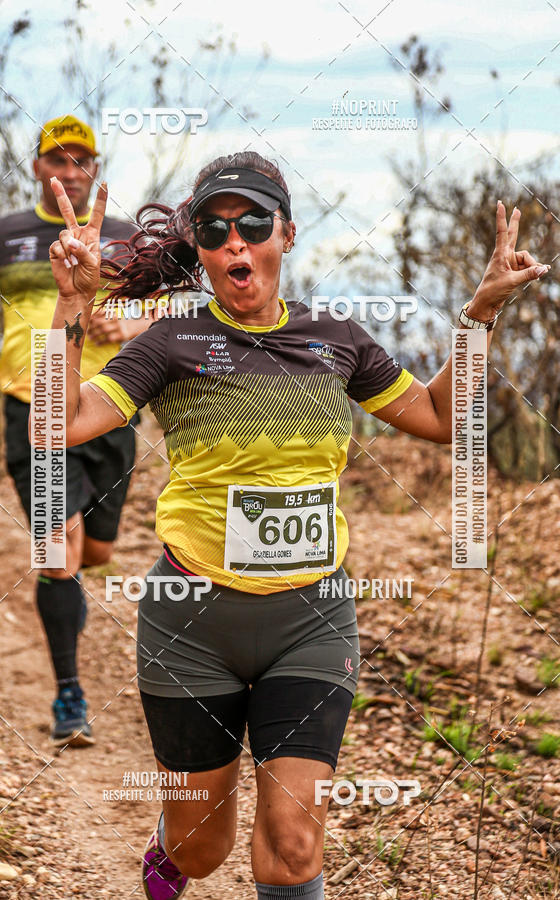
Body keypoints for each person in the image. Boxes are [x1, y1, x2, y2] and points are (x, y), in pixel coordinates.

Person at [40, 151, 548, 900]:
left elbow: (443, 419)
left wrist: (479, 314)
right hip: (192, 623)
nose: (234, 242)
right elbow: (58, 424)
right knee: (202, 848)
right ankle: (169, 847)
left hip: (312, 621)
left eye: (252, 223)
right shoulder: (172, 344)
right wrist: (70, 305)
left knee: (294, 843)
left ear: (287, 232)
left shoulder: (335, 339)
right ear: (202, 251)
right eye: (213, 231)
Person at [0, 114, 156, 748]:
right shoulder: (2, 235)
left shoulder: (125, 238)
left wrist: (125, 326)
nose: (69, 172)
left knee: (95, 553)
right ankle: (70, 694)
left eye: (81, 161)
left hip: (110, 410)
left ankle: (70, 596)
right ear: (37, 166)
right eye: (56, 161)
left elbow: (166, 308)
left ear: (94, 167)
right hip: (32, 410)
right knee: (59, 547)